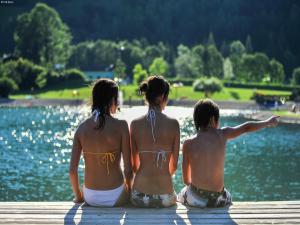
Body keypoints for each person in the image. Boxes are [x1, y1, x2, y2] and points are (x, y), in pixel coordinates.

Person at [178, 99, 279, 208]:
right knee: (227, 194)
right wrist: (268, 122)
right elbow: (246, 127)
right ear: (213, 119)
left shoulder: (188, 143)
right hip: (219, 199)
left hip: (197, 199)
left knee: (181, 195)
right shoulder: (223, 134)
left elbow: (186, 180)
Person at [69, 78, 132, 207]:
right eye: (117, 99)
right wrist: (129, 190)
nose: (118, 103)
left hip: (90, 196)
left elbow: (72, 170)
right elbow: (128, 170)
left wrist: (79, 196)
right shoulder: (121, 126)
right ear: (111, 100)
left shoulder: (81, 128)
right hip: (117, 195)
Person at [130, 76, 180, 208]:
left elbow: (134, 167)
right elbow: (174, 166)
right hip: (166, 197)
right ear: (163, 96)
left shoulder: (134, 124)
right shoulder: (174, 124)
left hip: (139, 197)